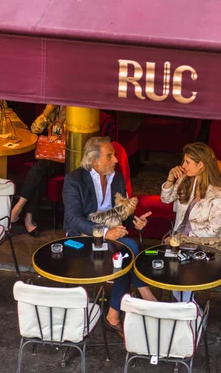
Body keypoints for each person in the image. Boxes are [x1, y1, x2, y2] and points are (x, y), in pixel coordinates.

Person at [62, 136, 154, 339]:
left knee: (126, 252)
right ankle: (145, 296)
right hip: (81, 237)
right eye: (110, 156)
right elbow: (73, 218)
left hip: (111, 236)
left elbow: (121, 214)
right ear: (94, 161)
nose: (115, 161)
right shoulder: (74, 180)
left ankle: (114, 314)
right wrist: (105, 233)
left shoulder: (117, 178)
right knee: (128, 249)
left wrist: (135, 223)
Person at [161, 142, 221, 301]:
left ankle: (187, 311)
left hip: (206, 246)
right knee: (168, 269)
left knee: (180, 271)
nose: (183, 165)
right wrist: (170, 178)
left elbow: (212, 230)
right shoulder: (186, 181)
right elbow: (166, 198)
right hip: (180, 242)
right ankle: (189, 310)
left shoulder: (219, 193)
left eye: (187, 162)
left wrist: (183, 239)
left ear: (201, 164)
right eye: (183, 161)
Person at [10, 105, 66, 236]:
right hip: (47, 156)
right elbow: (34, 129)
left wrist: (61, 139)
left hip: (65, 159)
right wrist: (48, 111)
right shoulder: (54, 109)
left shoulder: (76, 112)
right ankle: (28, 219)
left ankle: (19, 207)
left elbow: (78, 140)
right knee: (40, 173)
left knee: (39, 169)